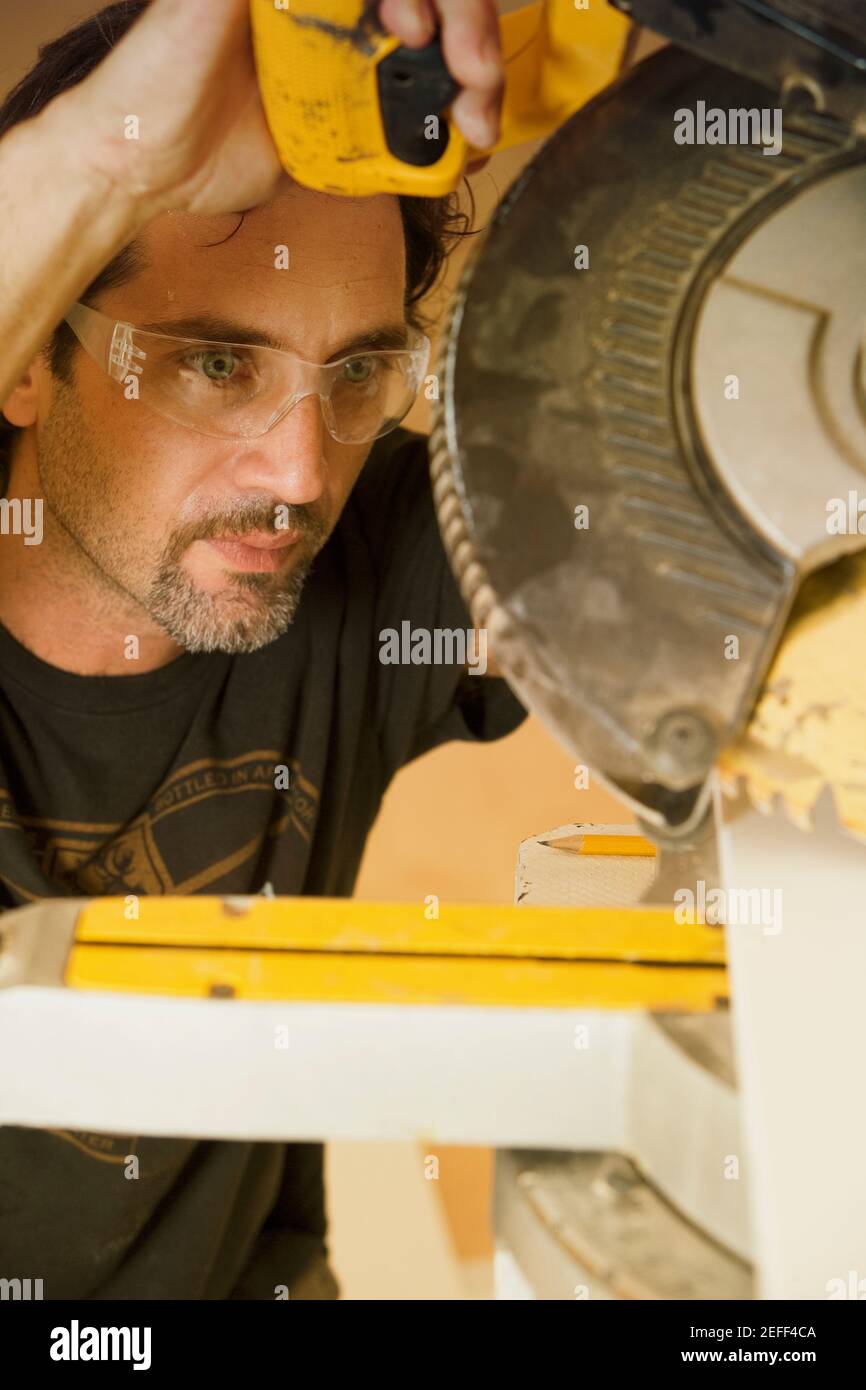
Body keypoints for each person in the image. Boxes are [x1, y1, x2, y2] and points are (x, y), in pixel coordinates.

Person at [0, 0, 522, 1298]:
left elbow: (746, 513)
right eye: (215, 363)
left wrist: (661, 118)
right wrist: (107, 161)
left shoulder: (378, 552)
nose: (298, 473)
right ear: (29, 363)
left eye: (352, 374)